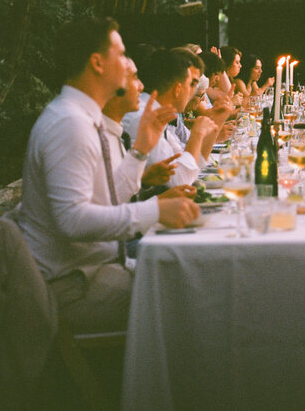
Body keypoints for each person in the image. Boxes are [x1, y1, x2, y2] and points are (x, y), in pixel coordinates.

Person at [16, 17, 199, 333]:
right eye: (122, 53)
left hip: (96, 270)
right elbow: (71, 220)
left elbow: (107, 196)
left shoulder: (84, 117)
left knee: (191, 269)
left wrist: (142, 148)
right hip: (72, 287)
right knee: (193, 296)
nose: (129, 62)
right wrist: (155, 210)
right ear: (97, 63)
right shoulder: (69, 123)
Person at [123, 47, 228, 187]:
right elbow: (177, 180)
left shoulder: (160, 115)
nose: (193, 92)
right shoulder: (143, 117)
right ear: (178, 88)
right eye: (192, 84)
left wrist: (218, 121)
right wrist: (197, 134)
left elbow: (194, 164)